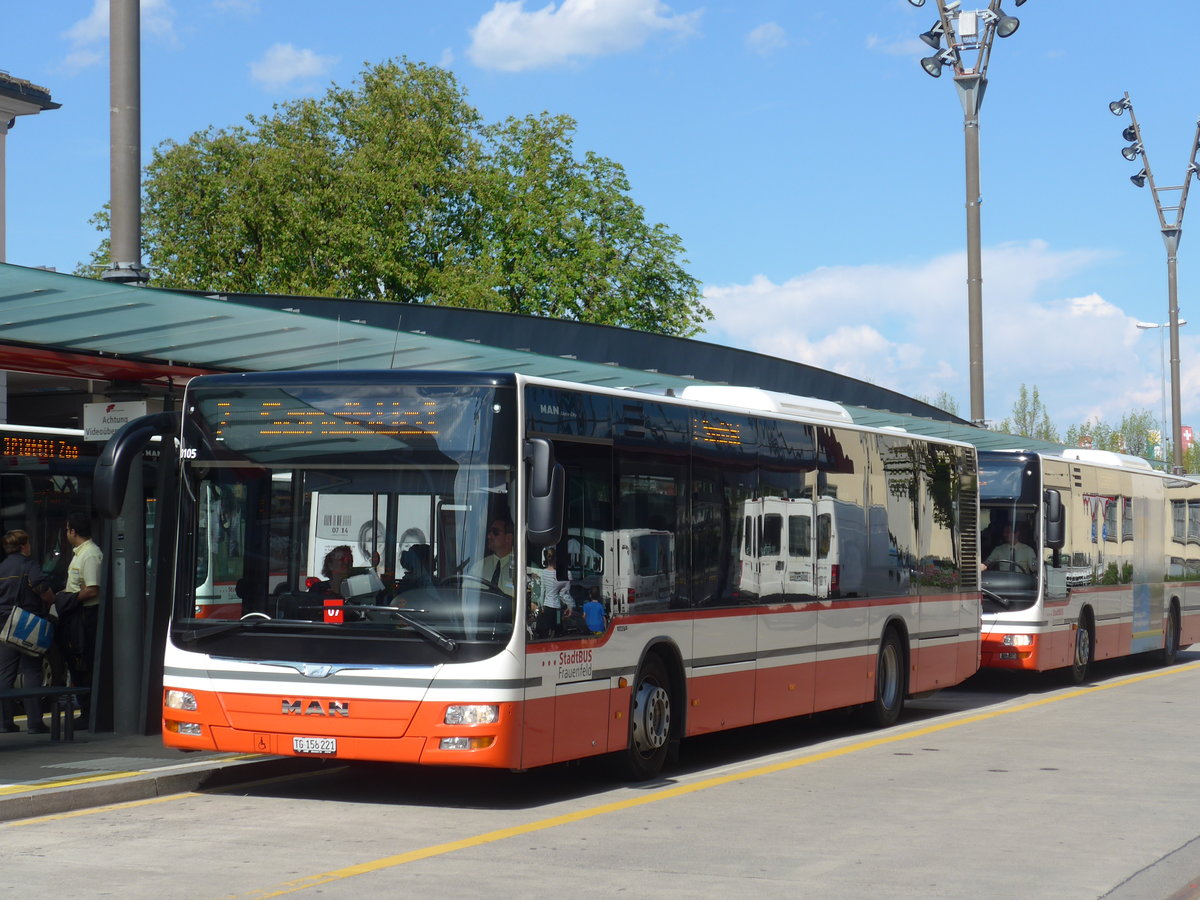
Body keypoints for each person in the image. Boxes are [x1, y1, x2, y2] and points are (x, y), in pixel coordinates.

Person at [0, 530, 54, 733]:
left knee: (5, 673)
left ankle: (4, 722)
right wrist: (51, 598)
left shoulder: (2, 567)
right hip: (25, 622)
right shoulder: (29, 565)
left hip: (4, 623)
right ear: (24, 546)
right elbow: (42, 587)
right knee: (31, 670)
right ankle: (34, 722)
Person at [56, 513, 102, 730]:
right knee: (76, 662)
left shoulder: (90, 554)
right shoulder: (80, 553)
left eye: (67, 530)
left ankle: (88, 712)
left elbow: (92, 589)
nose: (66, 534)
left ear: (73, 531)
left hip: (86, 615)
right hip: (77, 614)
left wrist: (70, 600)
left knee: (84, 662)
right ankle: (85, 710)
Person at [467, 517, 515, 597]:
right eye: (489, 532)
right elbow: (466, 596)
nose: (489, 536)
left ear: (508, 538)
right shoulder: (479, 567)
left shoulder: (524, 568)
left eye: (495, 532)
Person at [531, 548, 573, 638]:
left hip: (547, 607)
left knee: (546, 630)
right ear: (556, 559)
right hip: (557, 608)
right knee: (557, 627)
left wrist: (541, 606)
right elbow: (565, 593)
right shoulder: (561, 574)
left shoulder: (543, 573)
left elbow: (542, 592)